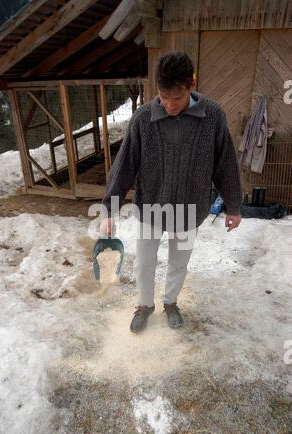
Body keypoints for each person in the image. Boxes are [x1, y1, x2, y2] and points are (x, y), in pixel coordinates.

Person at [100, 52, 242, 333]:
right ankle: (144, 305)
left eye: (175, 99)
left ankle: (170, 302)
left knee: (179, 262)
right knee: (144, 263)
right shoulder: (143, 119)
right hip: (151, 206)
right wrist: (109, 208)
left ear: (191, 85)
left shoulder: (212, 116)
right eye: (163, 97)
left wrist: (234, 206)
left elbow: (225, 162)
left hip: (190, 207)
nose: (168, 104)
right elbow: (125, 165)